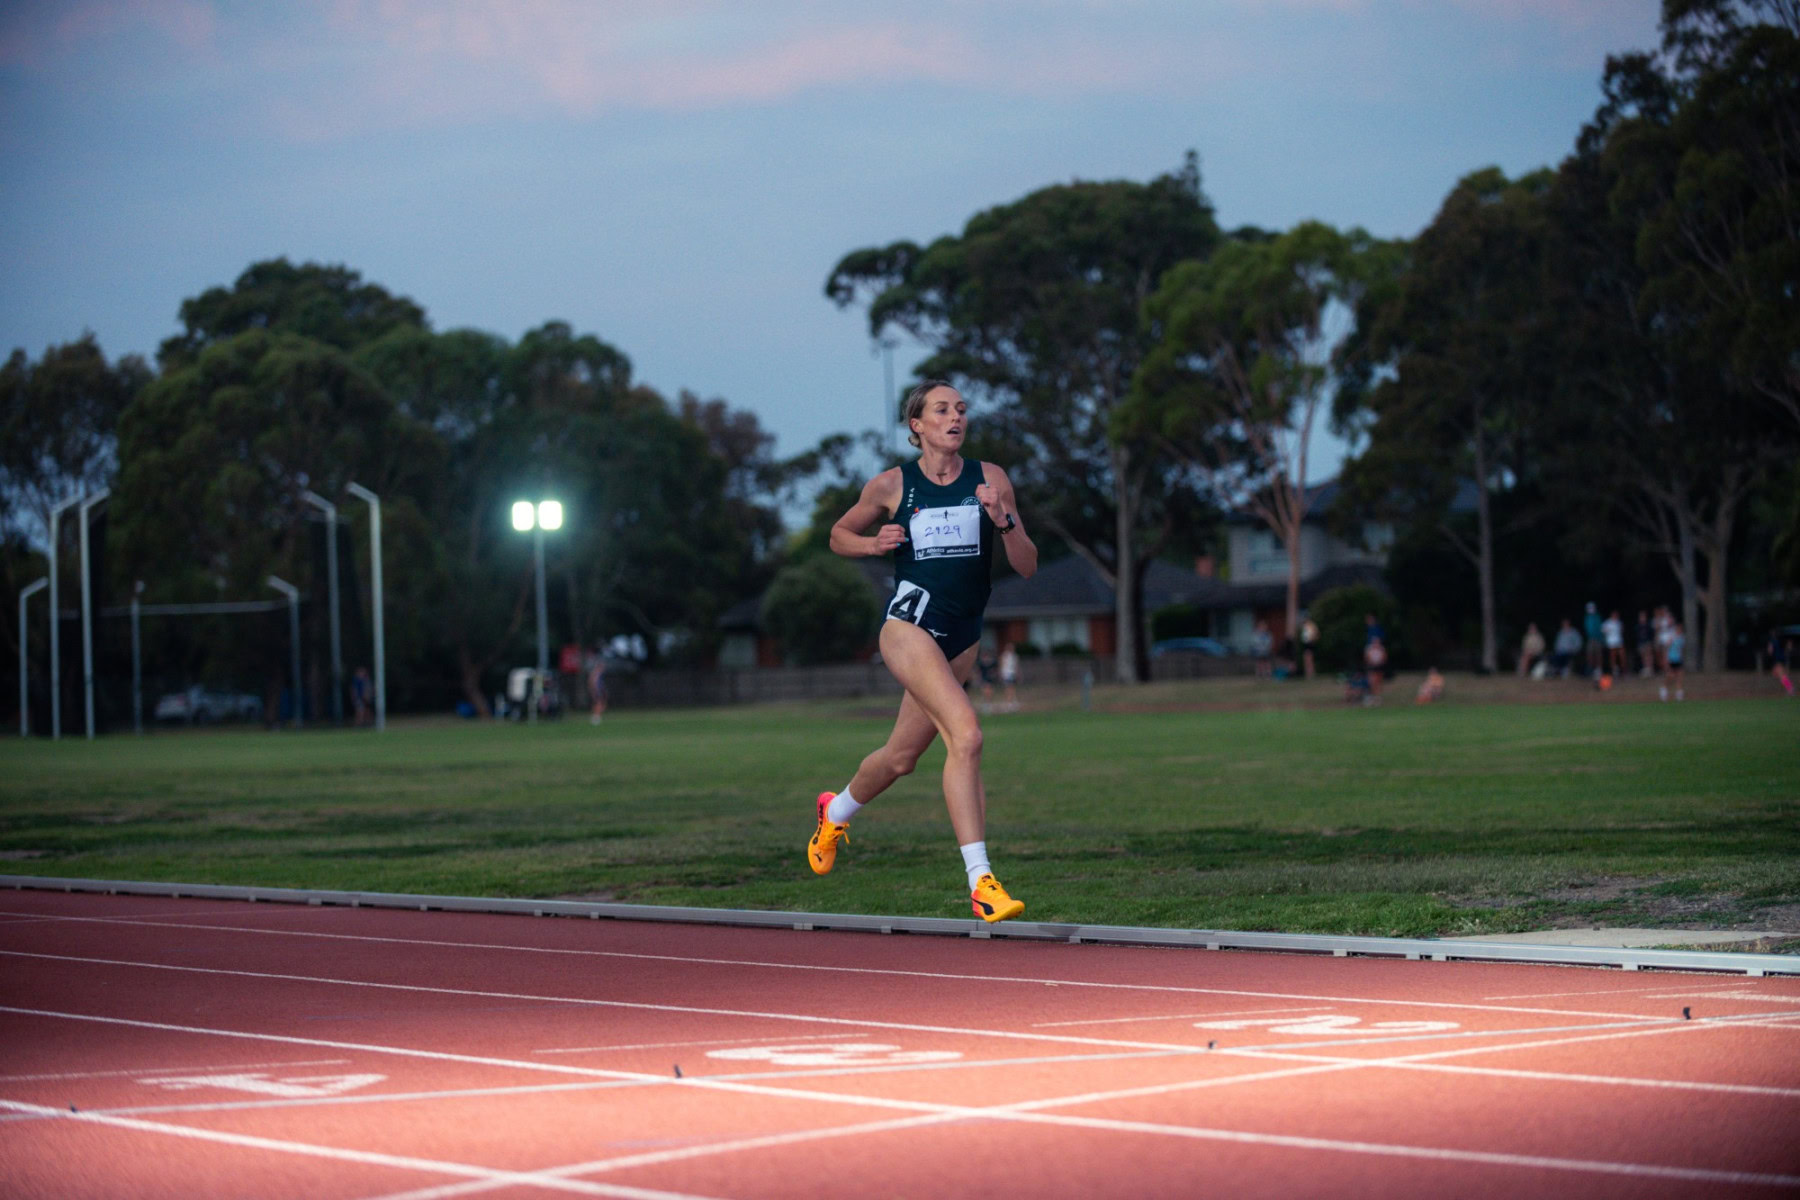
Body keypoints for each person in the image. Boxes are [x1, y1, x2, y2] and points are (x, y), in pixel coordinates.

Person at [807, 380, 1039, 923]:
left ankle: (834, 811)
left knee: (900, 758)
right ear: (917, 424)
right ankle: (981, 881)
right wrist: (873, 543)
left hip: (962, 638)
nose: (955, 417)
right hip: (908, 628)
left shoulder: (991, 478)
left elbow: (1027, 565)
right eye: (942, 410)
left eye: (961, 409)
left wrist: (1002, 519)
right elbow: (838, 534)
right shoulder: (892, 484)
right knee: (967, 734)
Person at [1661, 621, 1686, 701]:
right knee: (1670, 676)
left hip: (1678, 659)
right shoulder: (1672, 638)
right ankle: (1664, 688)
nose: (1679, 630)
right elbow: (1667, 649)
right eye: (1678, 629)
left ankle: (1679, 695)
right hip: (1671, 659)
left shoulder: (1682, 638)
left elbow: (1681, 650)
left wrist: (1682, 658)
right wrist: (1666, 659)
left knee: (1680, 677)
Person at [1768, 631, 1795, 697]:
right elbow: (1788, 647)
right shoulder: (1781, 640)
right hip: (1781, 659)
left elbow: (1770, 651)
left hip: (1778, 660)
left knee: (1781, 675)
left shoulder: (1773, 641)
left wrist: (1770, 652)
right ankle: (1789, 688)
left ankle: (1790, 689)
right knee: (1776, 673)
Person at [1363, 636, 1387, 704]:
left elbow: (1384, 657)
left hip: (1379, 666)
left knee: (1379, 682)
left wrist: (1380, 663)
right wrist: (1372, 663)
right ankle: (1372, 696)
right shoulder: (1369, 648)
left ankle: (1378, 697)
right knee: (1372, 681)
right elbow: (1366, 658)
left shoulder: (1381, 648)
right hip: (1372, 666)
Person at [1602, 609, 1626, 679]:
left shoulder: (1619, 622)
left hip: (1619, 642)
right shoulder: (1607, 623)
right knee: (1613, 657)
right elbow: (1603, 631)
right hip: (1611, 642)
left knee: (1622, 656)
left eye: (1616, 615)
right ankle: (1614, 671)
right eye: (1614, 615)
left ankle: (1623, 671)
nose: (1615, 616)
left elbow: (1622, 631)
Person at [1583, 602, 1604, 676]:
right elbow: (1587, 629)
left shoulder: (1597, 617)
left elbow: (1600, 628)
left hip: (1598, 638)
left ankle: (1599, 669)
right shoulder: (1587, 618)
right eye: (1589, 608)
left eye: (1591, 608)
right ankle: (1591, 669)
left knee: (1598, 654)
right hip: (1590, 639)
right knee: (1589, 654)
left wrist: (1601, 638)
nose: (1590, 609)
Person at [997, 642, 1020, 711]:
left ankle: (1012, 700)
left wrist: (1017, 673)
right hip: (1006, 674)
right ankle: (1008, 702)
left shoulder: (1015, 656)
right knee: (1008, 688)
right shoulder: (1004, 656)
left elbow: (1016, 666)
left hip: (1012, 673)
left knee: (1012, 687)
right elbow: (1001, 665)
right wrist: (1001, 673)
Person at [586, 650, 607, 725]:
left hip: (599, 690)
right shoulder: (596, 673)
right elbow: (591, 682)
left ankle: (596, 716)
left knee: (601, 703)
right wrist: (593, 690)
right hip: (597, 690)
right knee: (598, 703)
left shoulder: (599, 673)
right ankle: (595, 717)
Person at [1634, 610, 1655, 677]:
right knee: (1643, 656)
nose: (1642, 618)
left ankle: (1650, 668)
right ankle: (1646, 669)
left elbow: (1651, 634)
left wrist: (1651, 642)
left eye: (1643, 617)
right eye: (1641, 617)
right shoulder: (1638, 627)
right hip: (1641, 643)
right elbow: (1637, 636)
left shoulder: (1648, 625)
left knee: (1649, 656)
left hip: (1648, 642)